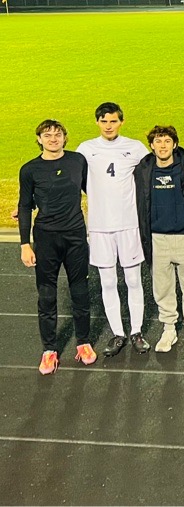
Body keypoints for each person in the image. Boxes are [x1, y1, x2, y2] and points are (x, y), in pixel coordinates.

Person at [19, 119, 95, 374]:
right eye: (47, 134)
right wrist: (24, 245)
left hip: (75, 236)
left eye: (58, 134)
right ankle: (49, 350)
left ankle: (83, 343)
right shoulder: (29, 169)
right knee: (47, 296)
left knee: (81, 293)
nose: (53, 138)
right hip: (46, 239)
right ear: (39, 139)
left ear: (65, 137)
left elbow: (94, 191)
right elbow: (24, 205)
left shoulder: (78, 161)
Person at [76, 102, 149, 356]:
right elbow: (69, 181)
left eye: (113, 121)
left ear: (121, 122)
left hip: (129, 225)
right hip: (99, 228)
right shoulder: (85, 149)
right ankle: (118, 334)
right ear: (97, 122)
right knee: (107, 282)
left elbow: (158, 165)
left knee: (132, 280)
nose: (109, 125)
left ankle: (136, 331)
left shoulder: (135, 147)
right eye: (104, 121)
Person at [134, 125, 184, 353]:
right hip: (158, 239)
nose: (162, 145)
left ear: (175, 144)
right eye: (158, 141)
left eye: (167, 141)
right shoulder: (143, 170)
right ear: (152, 145)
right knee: (162, 288)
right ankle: (169, 328)